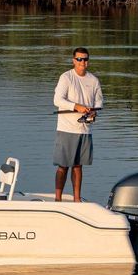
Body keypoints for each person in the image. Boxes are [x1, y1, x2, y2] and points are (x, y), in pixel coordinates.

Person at [53, 47, 103, 202]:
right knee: (63, 166)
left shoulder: (93, 80)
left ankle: (76, 199)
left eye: (85, 59)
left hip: (85, 129)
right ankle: (58, 199)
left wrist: (93, 111)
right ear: (74, 60)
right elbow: (57, 100)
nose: (83, 62)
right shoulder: (66, 77)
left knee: (78, 166)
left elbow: (99, 101)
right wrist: (76, 107)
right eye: (79, 59)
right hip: (66, 128)